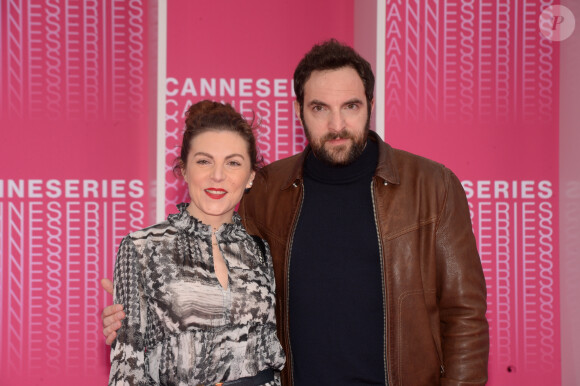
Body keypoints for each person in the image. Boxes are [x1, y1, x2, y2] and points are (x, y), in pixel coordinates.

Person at [103, 40, 489, 385]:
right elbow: (226, 293)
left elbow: (465, 315)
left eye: (350, 106)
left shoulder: (432, 185)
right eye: (320, 108)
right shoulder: (270, 189)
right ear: (298, 109)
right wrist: (136, 321)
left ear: (371, 104)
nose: (337, 125)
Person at [106, 100, 285, 385]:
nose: (217, 175)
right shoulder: (142, 247)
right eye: (204, 161)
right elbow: (127, 368)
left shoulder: (263, 251)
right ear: (184, 169)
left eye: (233, 163)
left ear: (250, 176)